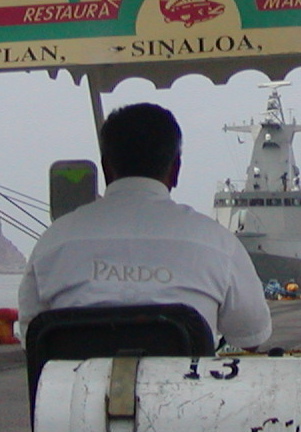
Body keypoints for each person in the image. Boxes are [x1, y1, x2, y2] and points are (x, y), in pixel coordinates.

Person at [17, 102, 271, 350]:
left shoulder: (53, 241)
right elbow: (251, 336)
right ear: (176, 169)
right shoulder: (218, 243)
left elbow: (33, 336)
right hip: (183, 381)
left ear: (106, 167)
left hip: (75, 379)